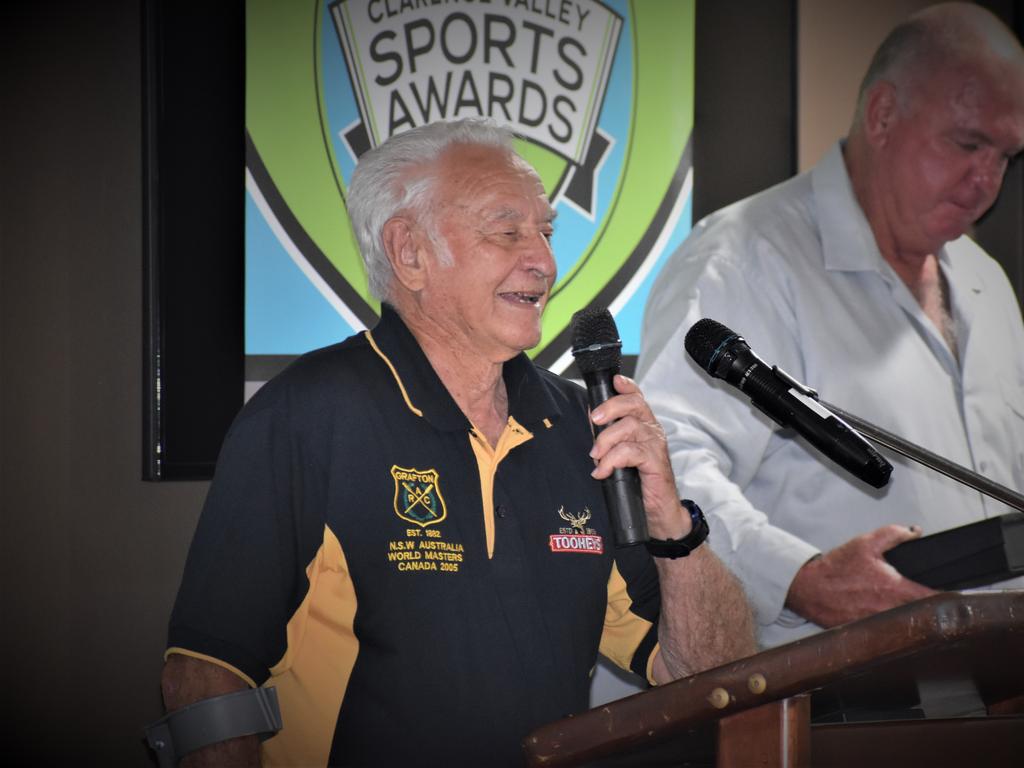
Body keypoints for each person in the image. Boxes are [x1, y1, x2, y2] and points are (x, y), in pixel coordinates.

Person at [160, 118, 755, 767]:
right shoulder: (305, 416)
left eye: (546, 232)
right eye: (507, 232)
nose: (546, 262)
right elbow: (206, 677)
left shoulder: (583, 427)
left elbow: (707, 672)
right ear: (409, 253)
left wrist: (671, 519)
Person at [637, 2, 1024, 650]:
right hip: (824, 705)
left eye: (1007, 155)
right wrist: (800, 578)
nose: (987, 180)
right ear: (882, 115)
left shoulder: (988, 285)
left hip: (988, 699)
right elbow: (672, 464)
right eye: (967, 143)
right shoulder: (746, 258)